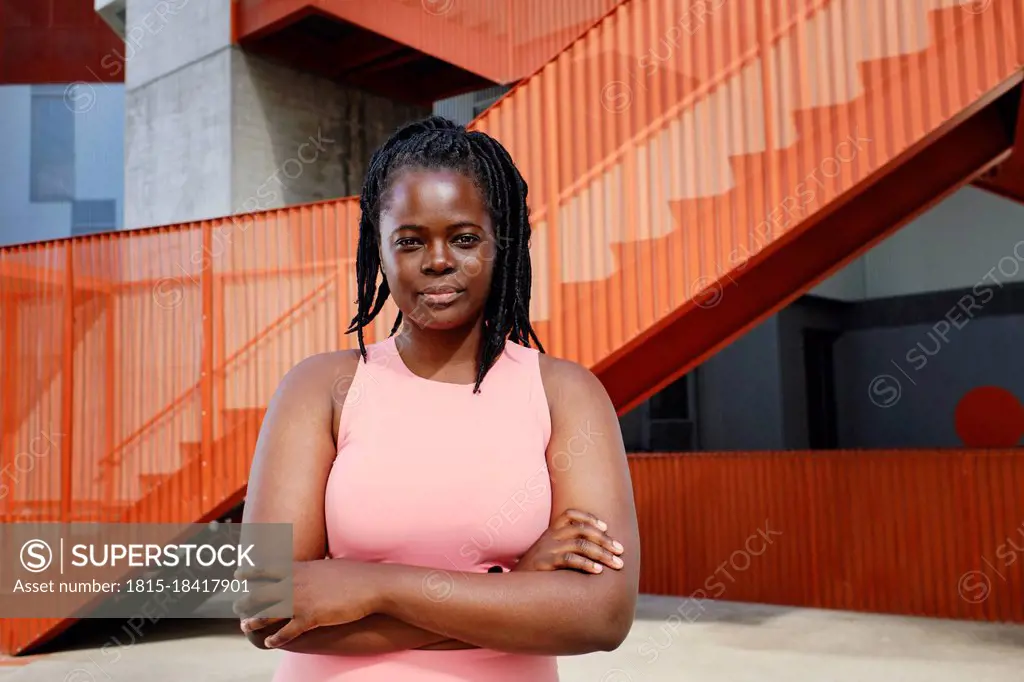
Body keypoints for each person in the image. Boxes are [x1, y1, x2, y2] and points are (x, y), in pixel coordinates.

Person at [236, 116, 641, 681]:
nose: (438, 261)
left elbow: (601, 615)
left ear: (502, 244)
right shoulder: (321, 389)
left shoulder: (565, 394)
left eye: (464, 237)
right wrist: (519, 591)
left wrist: (371, 586)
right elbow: (266, 611)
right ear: (377, 249)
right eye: (409, 240)